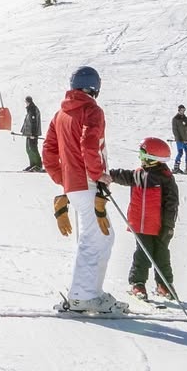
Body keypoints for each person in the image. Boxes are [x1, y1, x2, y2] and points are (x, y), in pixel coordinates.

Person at [43, 65, 127, 315]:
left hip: (76, 185)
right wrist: (97, 174)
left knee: (98, 236)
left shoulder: (60, 114)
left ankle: (89, 293)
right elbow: (89, 143)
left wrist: (64, 180)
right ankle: (84, 296)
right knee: (97, 237)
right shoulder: (91, 110)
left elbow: (48, 150)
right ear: (94, 87)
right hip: (88, 183)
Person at [108, 137, 180, 299]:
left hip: (160, 226)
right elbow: (123, 176)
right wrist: (108, 175)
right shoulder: (138, 174)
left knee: (161, 254)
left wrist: (168, 227)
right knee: (143, 253)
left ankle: (164, 285)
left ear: (153, 157)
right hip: (141, 225)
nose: (140, 158)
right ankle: (138, 284)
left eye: (143, 154)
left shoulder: (166, 179)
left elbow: (171, 205)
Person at [22, 96, 43, 171]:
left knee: (33, 149)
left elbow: (34, 123)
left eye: (26, 102)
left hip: (32, 134)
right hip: (29, 134)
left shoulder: (33, 109)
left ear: (28, 102)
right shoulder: (30, 109)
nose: (26, 103)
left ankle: (38, 165)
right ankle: (32, 164)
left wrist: (33, 135)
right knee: (28, 149)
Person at [172, 105, 187, 175]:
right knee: (180, 153)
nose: (182, 111)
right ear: (179, 110)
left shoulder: (186, 119)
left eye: (183, 110)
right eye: (181, 110)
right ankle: (176, 167)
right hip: (180, 141)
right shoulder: (175, 119)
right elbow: (175, 130)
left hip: (186, 140)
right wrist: (179, 139)